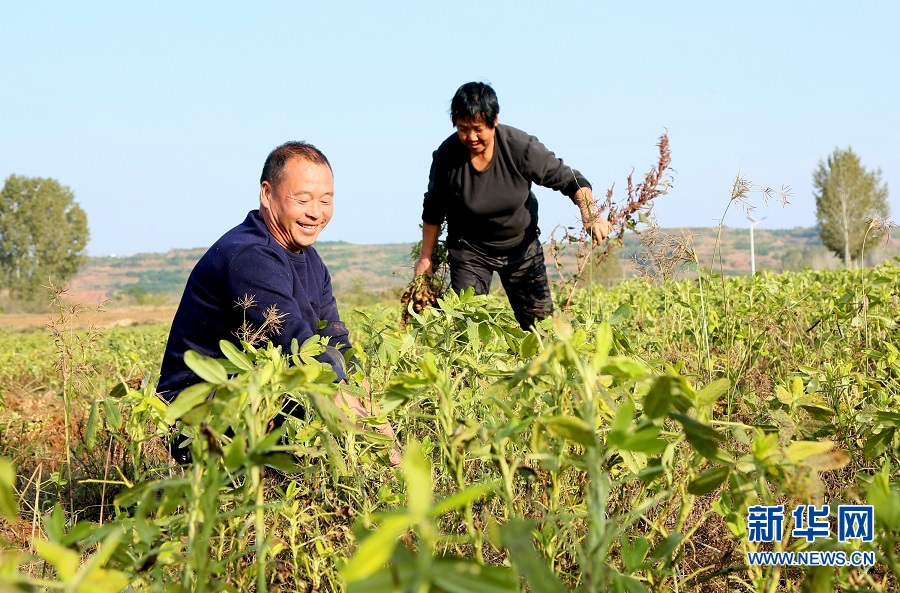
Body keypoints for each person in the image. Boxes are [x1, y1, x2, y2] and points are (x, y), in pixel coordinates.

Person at [157, 141, 399, 465]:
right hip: (199, 416)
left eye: (326, 200)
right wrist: (385, 455)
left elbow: (337, 342)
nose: (316, 212)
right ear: (267, 195)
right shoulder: (250, 257)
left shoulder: (312, 262)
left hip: (255, 400)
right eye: (303, 199)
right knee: (316, 391)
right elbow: (296, 346)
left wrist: (371, 412)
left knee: (336, 389)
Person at [414, 82, 612, 330]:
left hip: (521, 249)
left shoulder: (521, 148)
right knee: (467, 327)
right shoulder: (447, 156)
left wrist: (590, 214)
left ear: (494, 120)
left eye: (478, 129)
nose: (471, 137)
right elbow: (433, 208)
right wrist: (425, 258)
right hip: (470, 252)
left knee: (540, 328)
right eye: (463, 129)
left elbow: (572, 180)